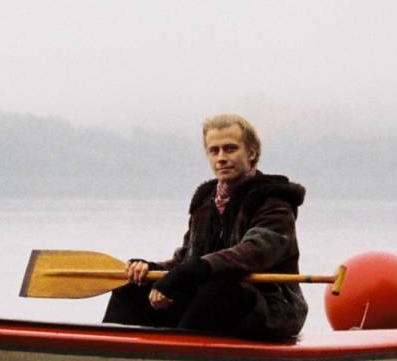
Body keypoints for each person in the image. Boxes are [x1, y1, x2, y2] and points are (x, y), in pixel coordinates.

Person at [103, 114, 308, 341]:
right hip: (206, 300)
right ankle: (107, 352)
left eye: (230, 149)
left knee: (220, 289)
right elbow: (185, 260)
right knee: (130, 288)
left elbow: (255, 251)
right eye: (214, 150)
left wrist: (191, 271)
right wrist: (148, 268)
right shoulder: (205, 202)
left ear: (251, 153)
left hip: (270, 307)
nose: (221, 158)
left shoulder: (274, 202)